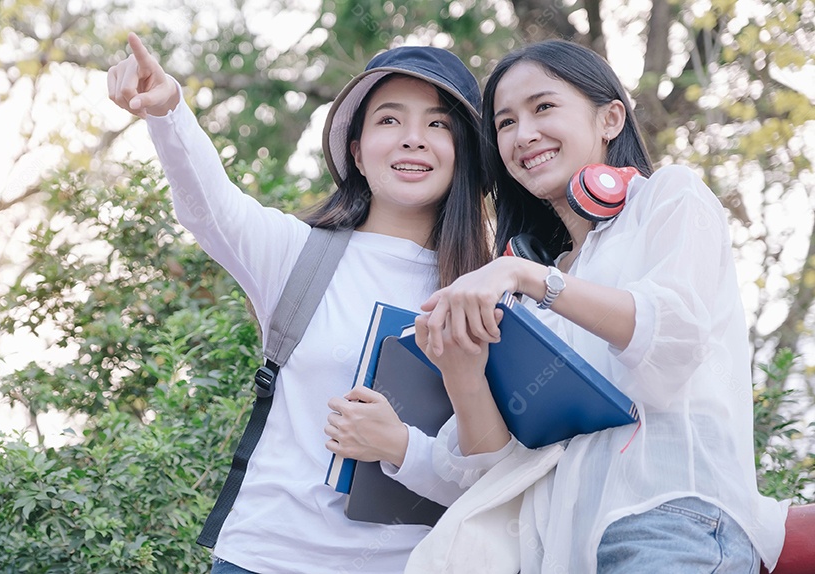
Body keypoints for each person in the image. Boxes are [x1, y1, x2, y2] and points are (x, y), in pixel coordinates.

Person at [107, 34, 503, 573]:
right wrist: (169, 111)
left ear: (464, 154)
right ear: (357, 152)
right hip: (262, 558)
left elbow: (496, 474)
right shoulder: (297, 253)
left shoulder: (490, 290)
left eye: (438, 124)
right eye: (389, 120)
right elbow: (209, 208)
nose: (414, 140)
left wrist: (401, 447)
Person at [409, 39, 788, 573]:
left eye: (543, 107)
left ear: (611, 118)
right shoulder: (547, 280)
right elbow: (500, 463)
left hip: (670, 523)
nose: (524, 134)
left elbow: (671, 338)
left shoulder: (669, 198)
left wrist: (528, 277)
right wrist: (461, 370)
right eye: (506, 123)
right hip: (566, 551)